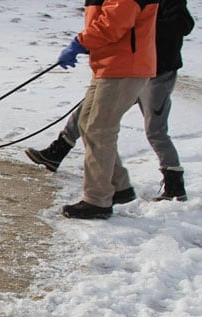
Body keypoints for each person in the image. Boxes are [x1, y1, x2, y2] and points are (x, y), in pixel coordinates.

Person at [27, 0, 195, 204]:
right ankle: (63, 153)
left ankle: (173, 184)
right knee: (88, 118)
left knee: (151, 130)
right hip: (118, 65)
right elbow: (107, 22)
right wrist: (96, 43)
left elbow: (116, 24)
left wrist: (135, 34)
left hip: (151, 70)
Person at [48, 0, 159, 219]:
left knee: (100, 129)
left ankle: (97, 201)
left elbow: (113, 23)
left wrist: (80, 42)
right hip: (109, 65)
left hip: (124, 66)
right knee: (87, 123)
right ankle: (118, 185)